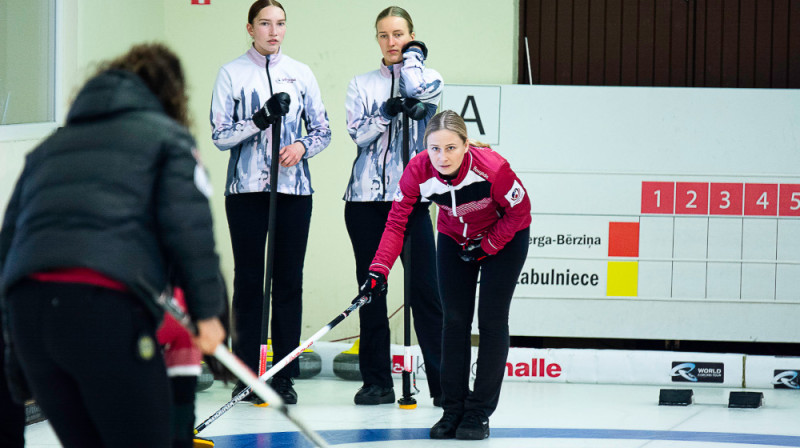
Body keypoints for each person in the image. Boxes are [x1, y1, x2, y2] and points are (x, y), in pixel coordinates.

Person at [0, 43, 226, 448]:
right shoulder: (167, 138)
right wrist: (209, 316)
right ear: (170, 95)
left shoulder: (49, 148)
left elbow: (9, 247)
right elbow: (189, 229)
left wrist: (12, 344)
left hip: (30, 317)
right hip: (101, 309)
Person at [360, 110, 532, 440]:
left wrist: (490, 244)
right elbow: (397, 222)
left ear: (466, 145)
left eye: (451, 148)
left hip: (504, 238)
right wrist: (378, 270)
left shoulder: (493, 168)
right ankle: (453, 409)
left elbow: (520, 212)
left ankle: (478, 412)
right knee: (453, 321)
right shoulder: (418, 170)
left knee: (492, 321)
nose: (442, 157)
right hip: (455, 238)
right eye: (435, 149)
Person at [210, 0, 331, 405]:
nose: (273, 31)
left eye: (280, 23)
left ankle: (283, 374)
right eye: (265, 23)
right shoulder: (231, 73)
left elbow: (323, 130)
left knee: (289, 282)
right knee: (248, 282)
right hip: (245, 192)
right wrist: (260, 118)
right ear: (250, 28)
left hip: (294, 192)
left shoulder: (300, 74)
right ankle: (246, 375)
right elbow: (221, 135)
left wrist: (301, 145)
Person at [343, 5, 444, 406]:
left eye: (399, 35)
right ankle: (377, 382)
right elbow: (359, 134)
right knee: (371, 291)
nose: (391, 43)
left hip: (411, 203)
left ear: (411, 36)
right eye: (384, 35)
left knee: (427, 292)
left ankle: (441, 384)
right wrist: (386, 112)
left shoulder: (429, 77)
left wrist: (412, 62)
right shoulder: (361, 83)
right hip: (365, 202)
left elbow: (422, 94)